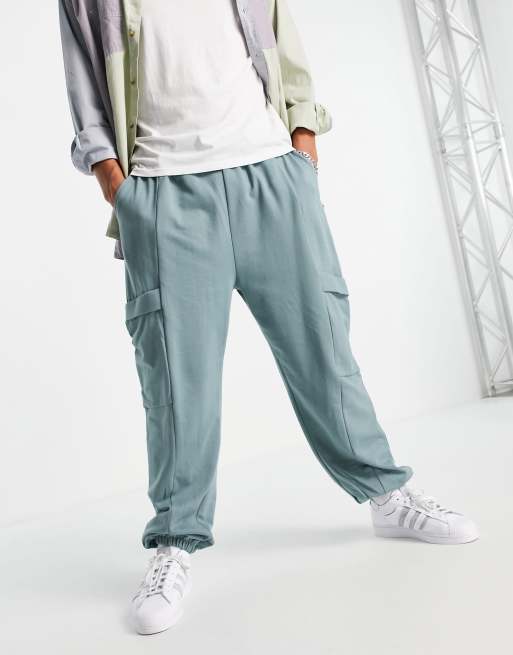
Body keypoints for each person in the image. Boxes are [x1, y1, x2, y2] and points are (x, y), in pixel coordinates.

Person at [58, 0, 478, 636]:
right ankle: (174, 542)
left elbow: (283, 41)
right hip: (165, 191)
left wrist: (302, 146)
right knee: (176, 385)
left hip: (272, 174)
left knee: (324, 350)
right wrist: (117, 185)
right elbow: (85, 88)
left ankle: (387, 495)